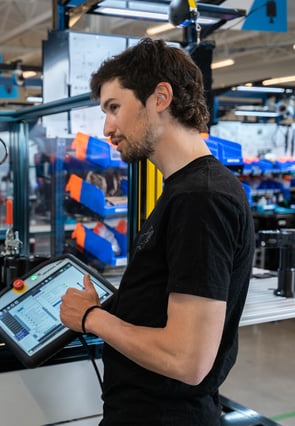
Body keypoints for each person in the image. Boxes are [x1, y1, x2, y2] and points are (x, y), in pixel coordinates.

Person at [60, 38, 255, 425]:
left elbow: (187, 359)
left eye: (114, 107)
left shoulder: (202, 198)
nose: (107, 128)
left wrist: (92, 318)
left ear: (160, 97)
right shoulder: (185, 189)